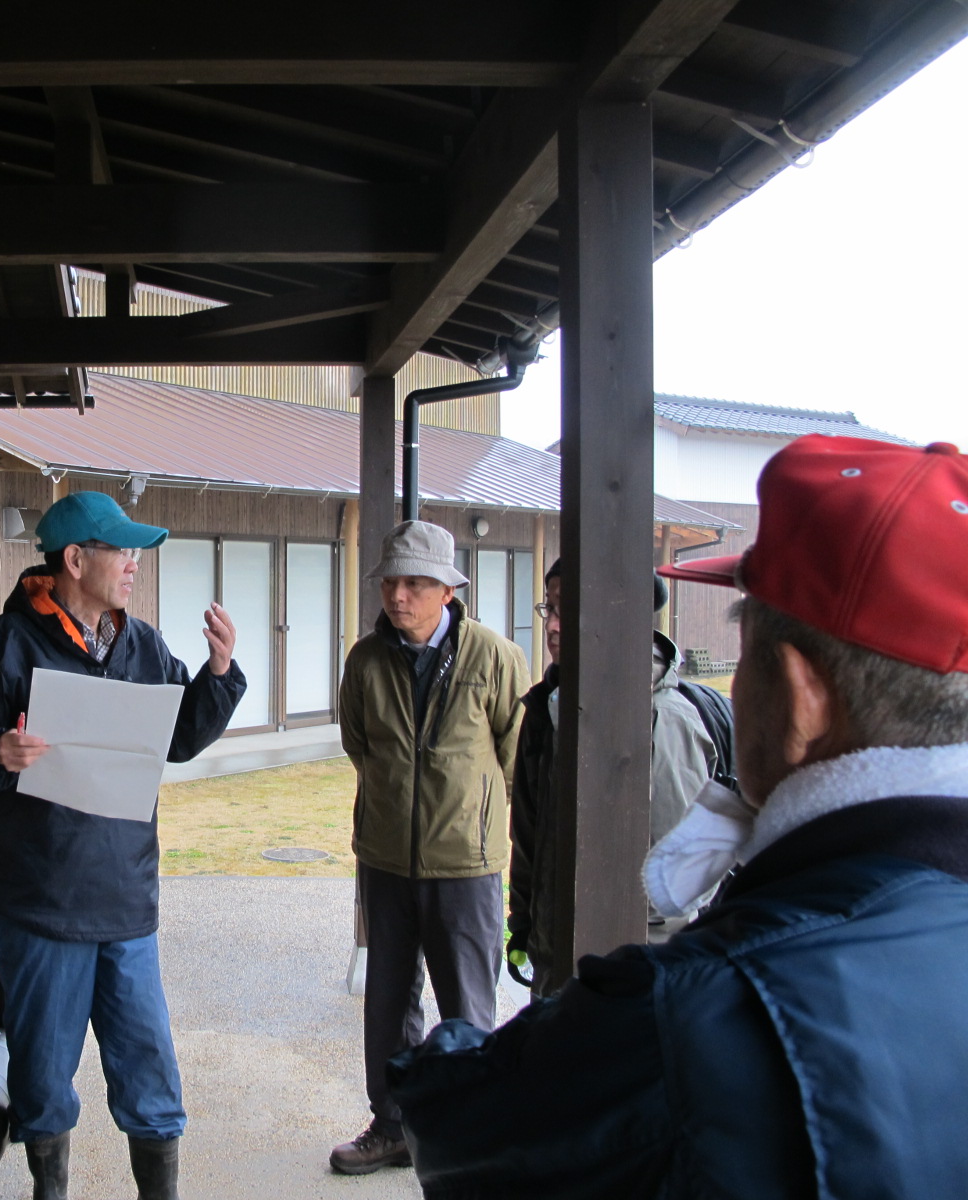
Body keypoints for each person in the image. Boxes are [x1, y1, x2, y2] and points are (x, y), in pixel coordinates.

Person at [390, 435, 968, 1197]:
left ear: (802, 697)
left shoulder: (692, 1009)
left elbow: (467, 1129)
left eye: (744, 649)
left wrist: (456, 1049)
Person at [0, 490, 245, 1200]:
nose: (134, 564)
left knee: (149, 1067)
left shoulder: (141, 644)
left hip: (125, 897)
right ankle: (51, 1189)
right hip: (39, 902)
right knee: (43, 1071)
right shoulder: (2, 646)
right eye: (120, 550)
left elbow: (182, 737)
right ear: (75, 559)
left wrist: (218, 675)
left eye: (136, 551)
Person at [330, 519, 527, 1175]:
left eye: (414, 582)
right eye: (390, 581)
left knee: (468, 1008)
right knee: (388, 1003)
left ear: (448, 589)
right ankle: (391, 1126)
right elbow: (360, 746)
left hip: (464, 865)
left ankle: (472, 1135)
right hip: (385, 859)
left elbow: (513, 752)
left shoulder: (493, 657)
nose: (398, 595)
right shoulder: (365, 660)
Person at [508, 563, 715, 995]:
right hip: (554, 959)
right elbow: (529, 836)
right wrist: (524, 922)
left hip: (627, 978)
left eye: (572, 610)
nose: (553, 626)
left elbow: (681, 880)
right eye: (551, 608)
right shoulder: (546, 708)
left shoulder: (665, 721)